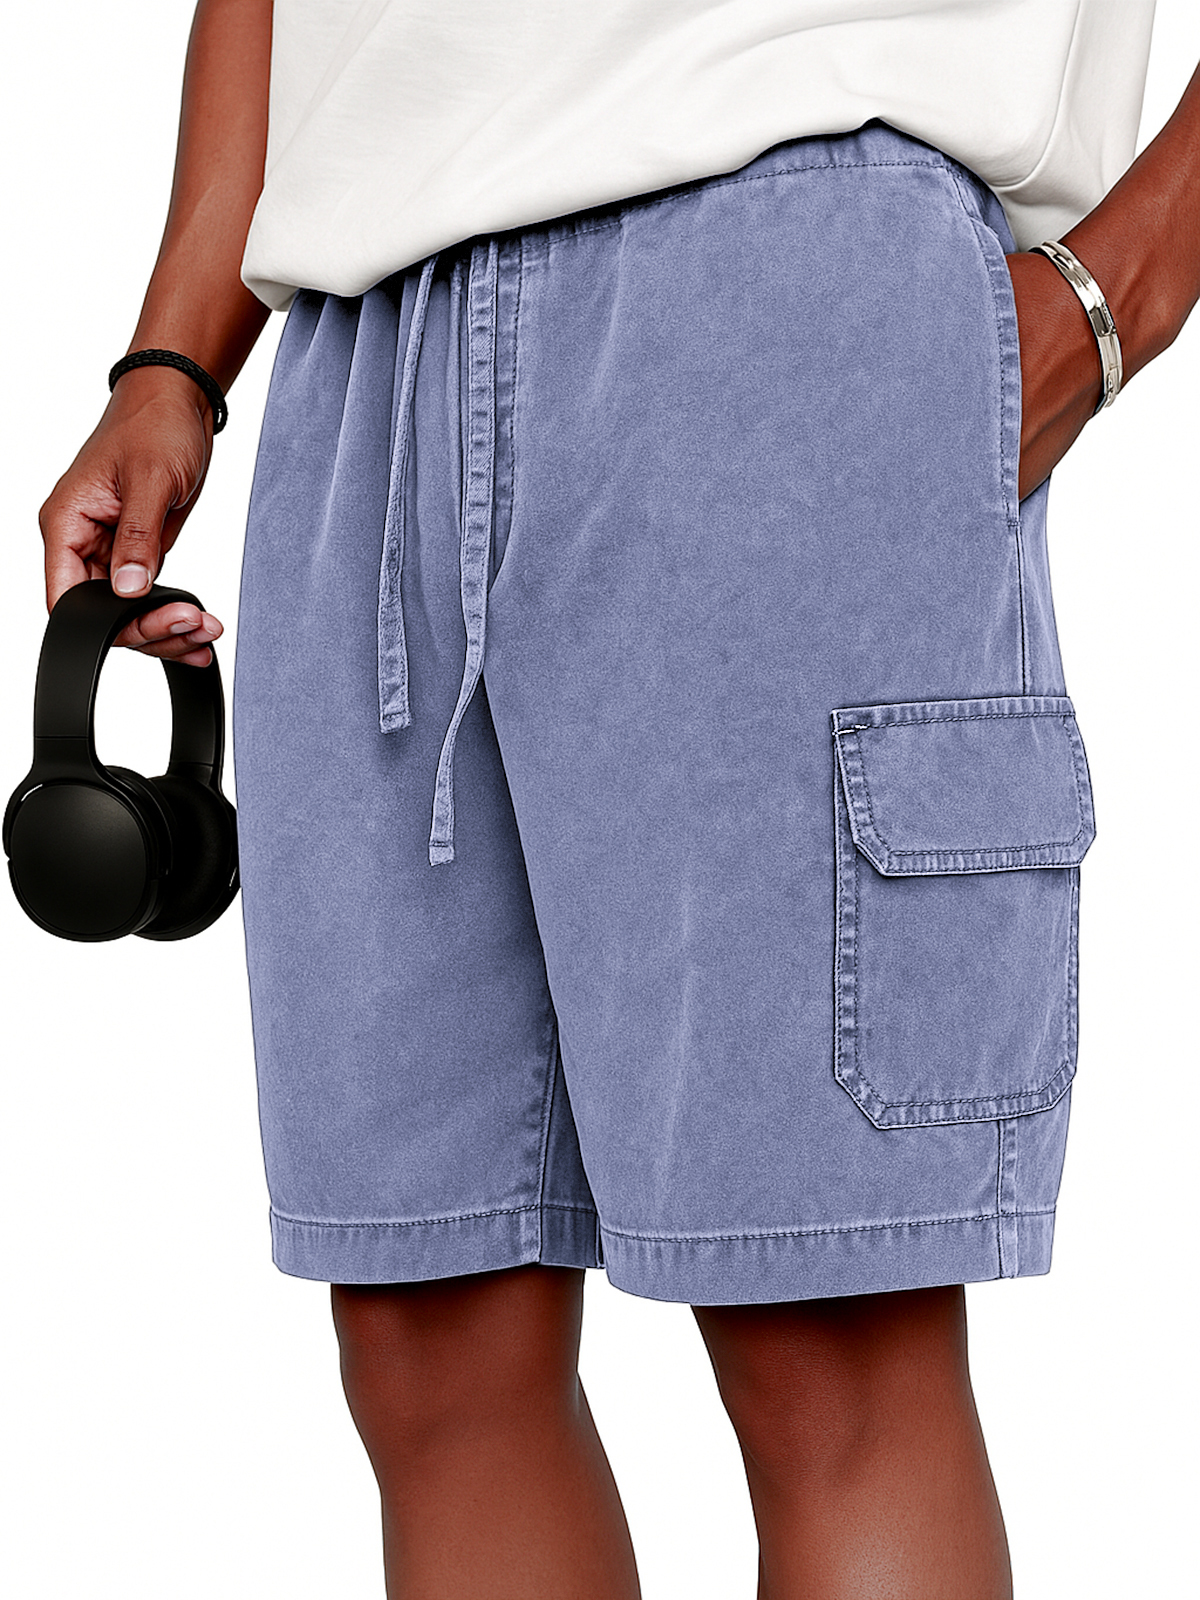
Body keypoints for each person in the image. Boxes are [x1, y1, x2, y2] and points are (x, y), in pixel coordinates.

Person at [35, 3, 1200, 1596]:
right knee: (426, 1340)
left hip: (783, 266)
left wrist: (1123, 289)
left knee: (826, 1338)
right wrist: (174, 360)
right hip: (366, 350)